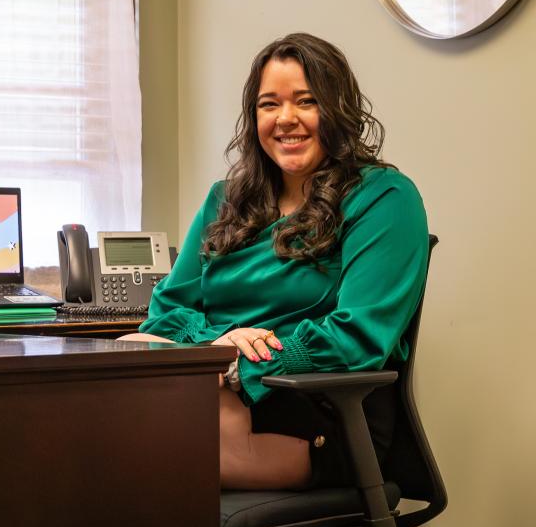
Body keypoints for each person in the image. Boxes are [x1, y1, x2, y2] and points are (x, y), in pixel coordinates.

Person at [124, 33, 429, 491]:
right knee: (126, 349)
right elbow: (164, 315)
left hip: (316, 411)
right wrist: (223, 345)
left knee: (119, 454)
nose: (286, 119)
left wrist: (235, 368)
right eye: (269, 104)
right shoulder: (224, 200)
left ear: (338, 110)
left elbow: (358, 337)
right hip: (215, 390)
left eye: (306, 101)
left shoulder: (384, 197)